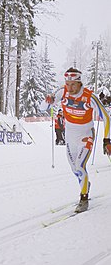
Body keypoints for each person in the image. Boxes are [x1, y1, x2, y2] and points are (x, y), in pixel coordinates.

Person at [40, 67, 111, 213]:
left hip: (86, 134)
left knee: (80, 166)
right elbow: (43, 107)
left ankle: (83, 199)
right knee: (75, 170)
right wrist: (47, 101)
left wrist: (107, 140)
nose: (70, 87)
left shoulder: (89, 97)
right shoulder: (62, 92)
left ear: (79, 83)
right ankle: (86, 185)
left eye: (73, 84)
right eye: (67, 83)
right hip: (70, 134)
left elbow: (106, 117)